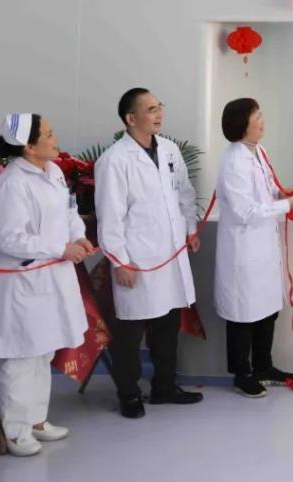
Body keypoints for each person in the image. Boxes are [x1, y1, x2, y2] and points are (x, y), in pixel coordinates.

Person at [0, 113, 95, 456]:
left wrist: (79, 236)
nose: (55, 138)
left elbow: (70, 211)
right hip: (23, 282)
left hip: (53, 279)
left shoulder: (54, 171)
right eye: (48, 134)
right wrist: (61, 248)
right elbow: (10, 238)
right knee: (21, 355)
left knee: (43, 349)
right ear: (29, 147)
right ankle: (16, 431)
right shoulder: (11, 184)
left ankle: (35, 421)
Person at [95, 88, 203, 418]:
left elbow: (184, 192)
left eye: (160, 107)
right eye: (151, 109)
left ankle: (164, 386)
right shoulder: (114, 160)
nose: (159, 114)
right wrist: (120, 261)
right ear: (131, 119)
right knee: (130, 331)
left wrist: (190, 228)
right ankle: (129, 394)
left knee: (168, 323)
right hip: (137, 259)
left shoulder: (169, 150)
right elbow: (110, 216)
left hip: (171, 254)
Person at [215, 98, 293, 398]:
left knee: (268, 311)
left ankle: (264, 367)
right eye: (258, 117)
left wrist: (282, 194)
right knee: (243, 315)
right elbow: (245, 210)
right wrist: (285, 205)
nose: (262, 121)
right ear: (243, 125)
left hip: (264, 248)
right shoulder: (233, 162)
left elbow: (266, 189)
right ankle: (242, 374)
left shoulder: (259, 151)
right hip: (243, 249)